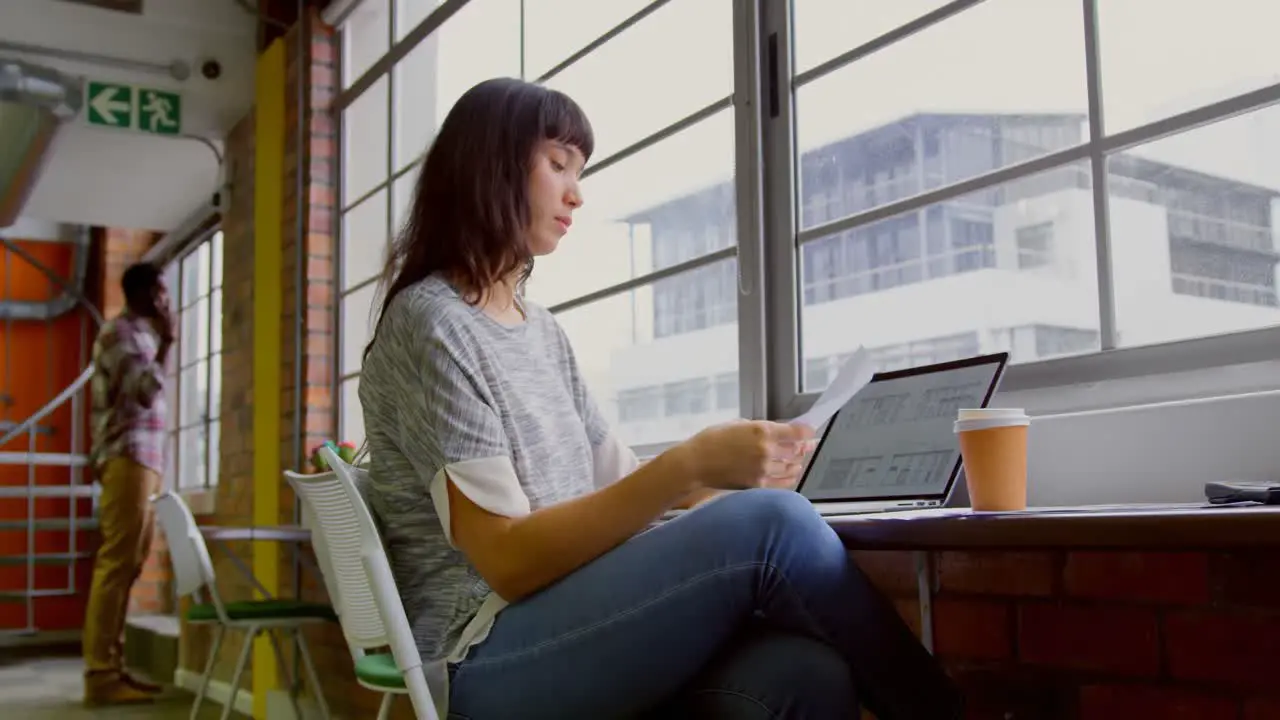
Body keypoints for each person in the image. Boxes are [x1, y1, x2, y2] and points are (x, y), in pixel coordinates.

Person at [359, 77, 963, 719]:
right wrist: (693, 465)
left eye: (580, 171)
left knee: (804, 671)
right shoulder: (433, 324)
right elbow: (507, 560)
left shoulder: (541, 332)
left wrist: (741, 477)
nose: (576, 193)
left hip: (566, 623)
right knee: (773, 529)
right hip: (481, 655)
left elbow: (625, 484)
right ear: (491, 166)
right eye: (558, 164)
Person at [82, 262, 173, 706]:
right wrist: (169, 342)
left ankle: (112, 668)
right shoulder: (121, 334)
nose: (166, 301)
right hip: (127, 457)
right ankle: (100, 674)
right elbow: (143, 392)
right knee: (117, 562)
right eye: (160, 292)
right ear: (141, 293)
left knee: (131, 563)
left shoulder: (139, 334)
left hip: (143, 460)